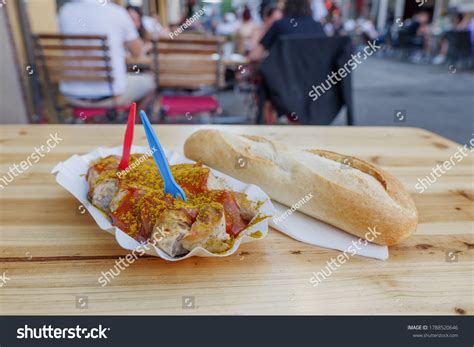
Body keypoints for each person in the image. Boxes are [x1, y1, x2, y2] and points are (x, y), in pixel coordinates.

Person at [58, 0, 155, 108]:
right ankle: (132, 123)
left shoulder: (65, 11)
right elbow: (137, 52)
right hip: (110, 96)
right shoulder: (117, 12)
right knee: (151, 81)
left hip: (73, 95)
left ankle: (88, 120)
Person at [248, 0, 326, 62]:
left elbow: (254, 55)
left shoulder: (280, 25)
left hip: (283, 79)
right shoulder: (318, 27)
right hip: (313, 79)